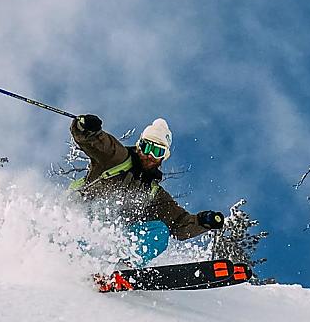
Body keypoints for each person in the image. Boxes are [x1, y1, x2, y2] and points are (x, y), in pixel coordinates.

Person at [70, 114, 224, 266]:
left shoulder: (154, 194)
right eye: (146, 147)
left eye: (157, 152)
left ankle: (124, 266)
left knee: (160, 231)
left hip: (112, 241)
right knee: (99, 212)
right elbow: (98, 143)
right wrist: (86, 128)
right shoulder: (117, 159)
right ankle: (78, 256)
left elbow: (179, 224)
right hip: (83, 223)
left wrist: (202, 222)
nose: (149, 155)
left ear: (163, 157)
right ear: (138, 146)